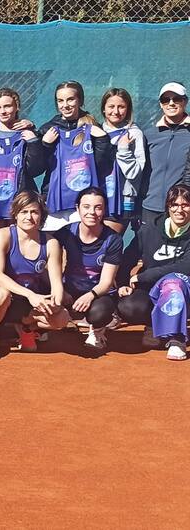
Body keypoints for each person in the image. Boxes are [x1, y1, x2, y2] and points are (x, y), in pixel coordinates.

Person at [0, 190, 68, 360]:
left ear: (41, 215)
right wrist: (31, 295)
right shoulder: (3, 235)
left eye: (34, 212)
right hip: (3, 297)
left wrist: (55, 303)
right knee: (0, 295)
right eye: (24, 212)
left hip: (27, 303)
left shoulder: (51, 243)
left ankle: (26, 328)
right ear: (16, 215)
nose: (29, 217)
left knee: (62, 318)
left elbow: (57, 284)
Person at [117, 183, 190, 360]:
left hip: (185, 290)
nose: (179, 210)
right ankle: (154, 325)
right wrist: (122, 284)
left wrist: (142, 276)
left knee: (173, 283)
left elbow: (184, 266)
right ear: (168, 207)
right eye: (174, 205)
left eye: (185, 205)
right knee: (128, 307)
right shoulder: (149, 230)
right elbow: (128, 258)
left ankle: (176, 339)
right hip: (153, 288)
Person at [28, 81, 114, 230]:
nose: (65, 105)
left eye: (70, 99)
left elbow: (100, 166)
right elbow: (36, 169)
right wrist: (45, 145)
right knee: (52, 248)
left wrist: (102, 140)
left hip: (85, 201)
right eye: (60, 101)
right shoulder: (48, 129)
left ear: (79, 100)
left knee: (79, 249)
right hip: (54, 200)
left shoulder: (92, 127)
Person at [54, 187, 122, 352]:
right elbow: (49, 260)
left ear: (104, 210)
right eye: (86, 207)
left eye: (98, 207)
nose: (92, 212)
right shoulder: (66, 233)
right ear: (77, 208)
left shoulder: (113, 239)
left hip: (98, 294)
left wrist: (90, 296)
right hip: (69, 290)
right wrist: (60, 291)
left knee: (98, 313)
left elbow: (106, 282)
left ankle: (97, 331)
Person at [0, 88, 38, 246]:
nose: (3, 111)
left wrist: (33, 142)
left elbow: (36, 169)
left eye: (7, 106)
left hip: (19, 202)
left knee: (19, 249)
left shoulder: (28, 134)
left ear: (16, 106)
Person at [146, 82, 190, 227]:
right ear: (160, 104)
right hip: (149, 208)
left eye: (176, 99)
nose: (171, 103)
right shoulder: (149, 135)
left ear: (185, 101)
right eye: (166, 100)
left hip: (180, 210)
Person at [100, 88, 145, 231]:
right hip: (97, 197)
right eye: (111, 106)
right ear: (103, 109)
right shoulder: (95, 132)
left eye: (121, 107)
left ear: (128, 109)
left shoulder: (135, 134)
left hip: (122, 200)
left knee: (110, 243)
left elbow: (135, 173)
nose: (116, 111)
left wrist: (124, 149)